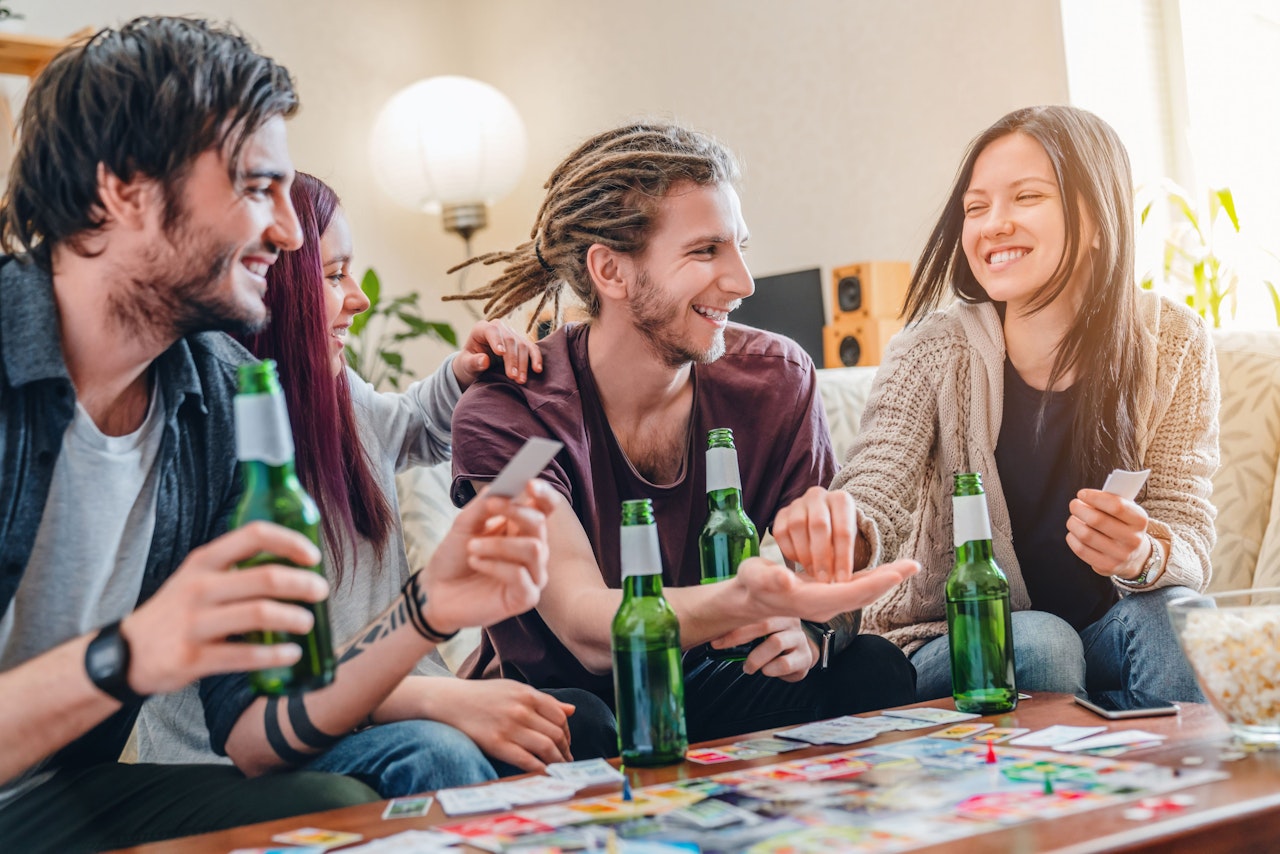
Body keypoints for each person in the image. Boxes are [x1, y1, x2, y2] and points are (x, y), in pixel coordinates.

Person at [0, 17, 555, 852]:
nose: (290, 232)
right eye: (259, 188)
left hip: (50, 797)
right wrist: (132, 652)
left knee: (331, 804)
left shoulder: (221, 394)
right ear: (124, 190)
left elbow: (257, 733)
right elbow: (142, 660)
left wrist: (428, 609)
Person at [448, 122, 919, 744]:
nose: (743, 282)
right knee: (581, 724)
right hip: (572, 704)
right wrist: (743, 601)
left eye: (739, 247)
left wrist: (812, 627)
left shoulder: (774, 379)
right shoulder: (513, 411)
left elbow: (826, 591)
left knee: (872, 668)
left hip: (705, 678)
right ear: (611, 271)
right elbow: (586, 629)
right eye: (705, 251)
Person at [137, 172, 617, 780]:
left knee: (583, 721)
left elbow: (411, 424)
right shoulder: (214, 443)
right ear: (271, 287)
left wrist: (465, 373)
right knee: (437, 753)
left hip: (389, 705)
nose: (359, 299)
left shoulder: (339, 395)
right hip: (248, 750)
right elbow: (266, 694)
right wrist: (437, 695)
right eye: (335, 276)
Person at [826, 105, 1217, 702]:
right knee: (1041, 643)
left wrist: (1141, 555)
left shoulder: (1173, 342)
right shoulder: (930, 351)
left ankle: (1168, 765)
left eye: (1026, 197)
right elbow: (875, 487)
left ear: (1097, 218)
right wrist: (841, 529)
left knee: (1182, 617)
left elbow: (1185, 522)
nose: (993, 225)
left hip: (1105, 636)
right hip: (952, 641)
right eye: (976, 208)